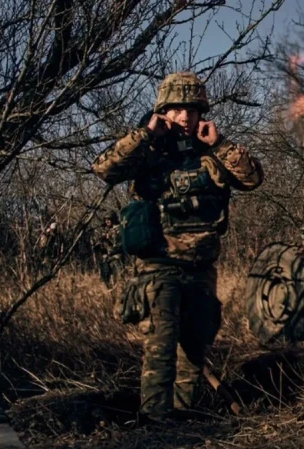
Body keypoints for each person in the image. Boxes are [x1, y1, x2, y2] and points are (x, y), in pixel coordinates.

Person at [91, 72, 264, 422]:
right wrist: (145, 134)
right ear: (163, 112)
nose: (185, 117)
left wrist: (220, 144)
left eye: (192, 109)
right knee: (161, 345)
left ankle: (182, 419)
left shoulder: (211, 152)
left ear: (202, 112)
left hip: (201, 266)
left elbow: (252, 178)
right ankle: (154, 420)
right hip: (159, 266)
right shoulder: (148, 150)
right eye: (176, 109)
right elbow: (104, 168)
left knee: (195, 347)